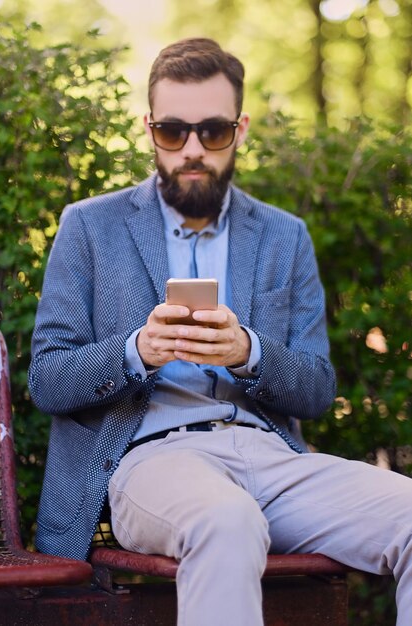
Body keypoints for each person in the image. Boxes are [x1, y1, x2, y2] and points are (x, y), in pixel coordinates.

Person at [28, 38, 412, 626]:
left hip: (270, 458)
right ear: (149, 128)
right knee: (226, 521)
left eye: (212, 132)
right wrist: (137, 350)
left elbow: (315, 388)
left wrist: (249, 353)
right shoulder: (90, 227)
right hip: (152, 463)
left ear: (240, 129)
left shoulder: (285, 236)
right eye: (172, 132)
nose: (191, 150)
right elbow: (48, 381)